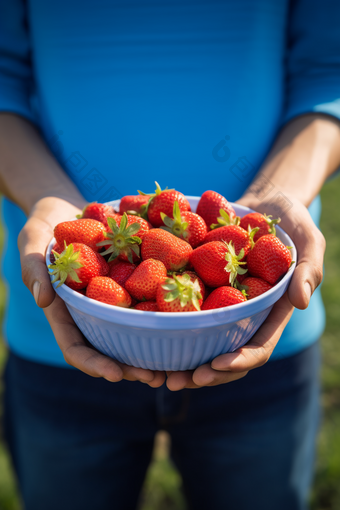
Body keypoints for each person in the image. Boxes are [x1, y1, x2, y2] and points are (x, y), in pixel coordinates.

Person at [0, 1, 340, 509]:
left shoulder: (208, 265)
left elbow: (328, 69)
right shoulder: (119, 259)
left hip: (258, 329)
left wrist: (281, 192)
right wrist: (48, 199)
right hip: (60, 333)